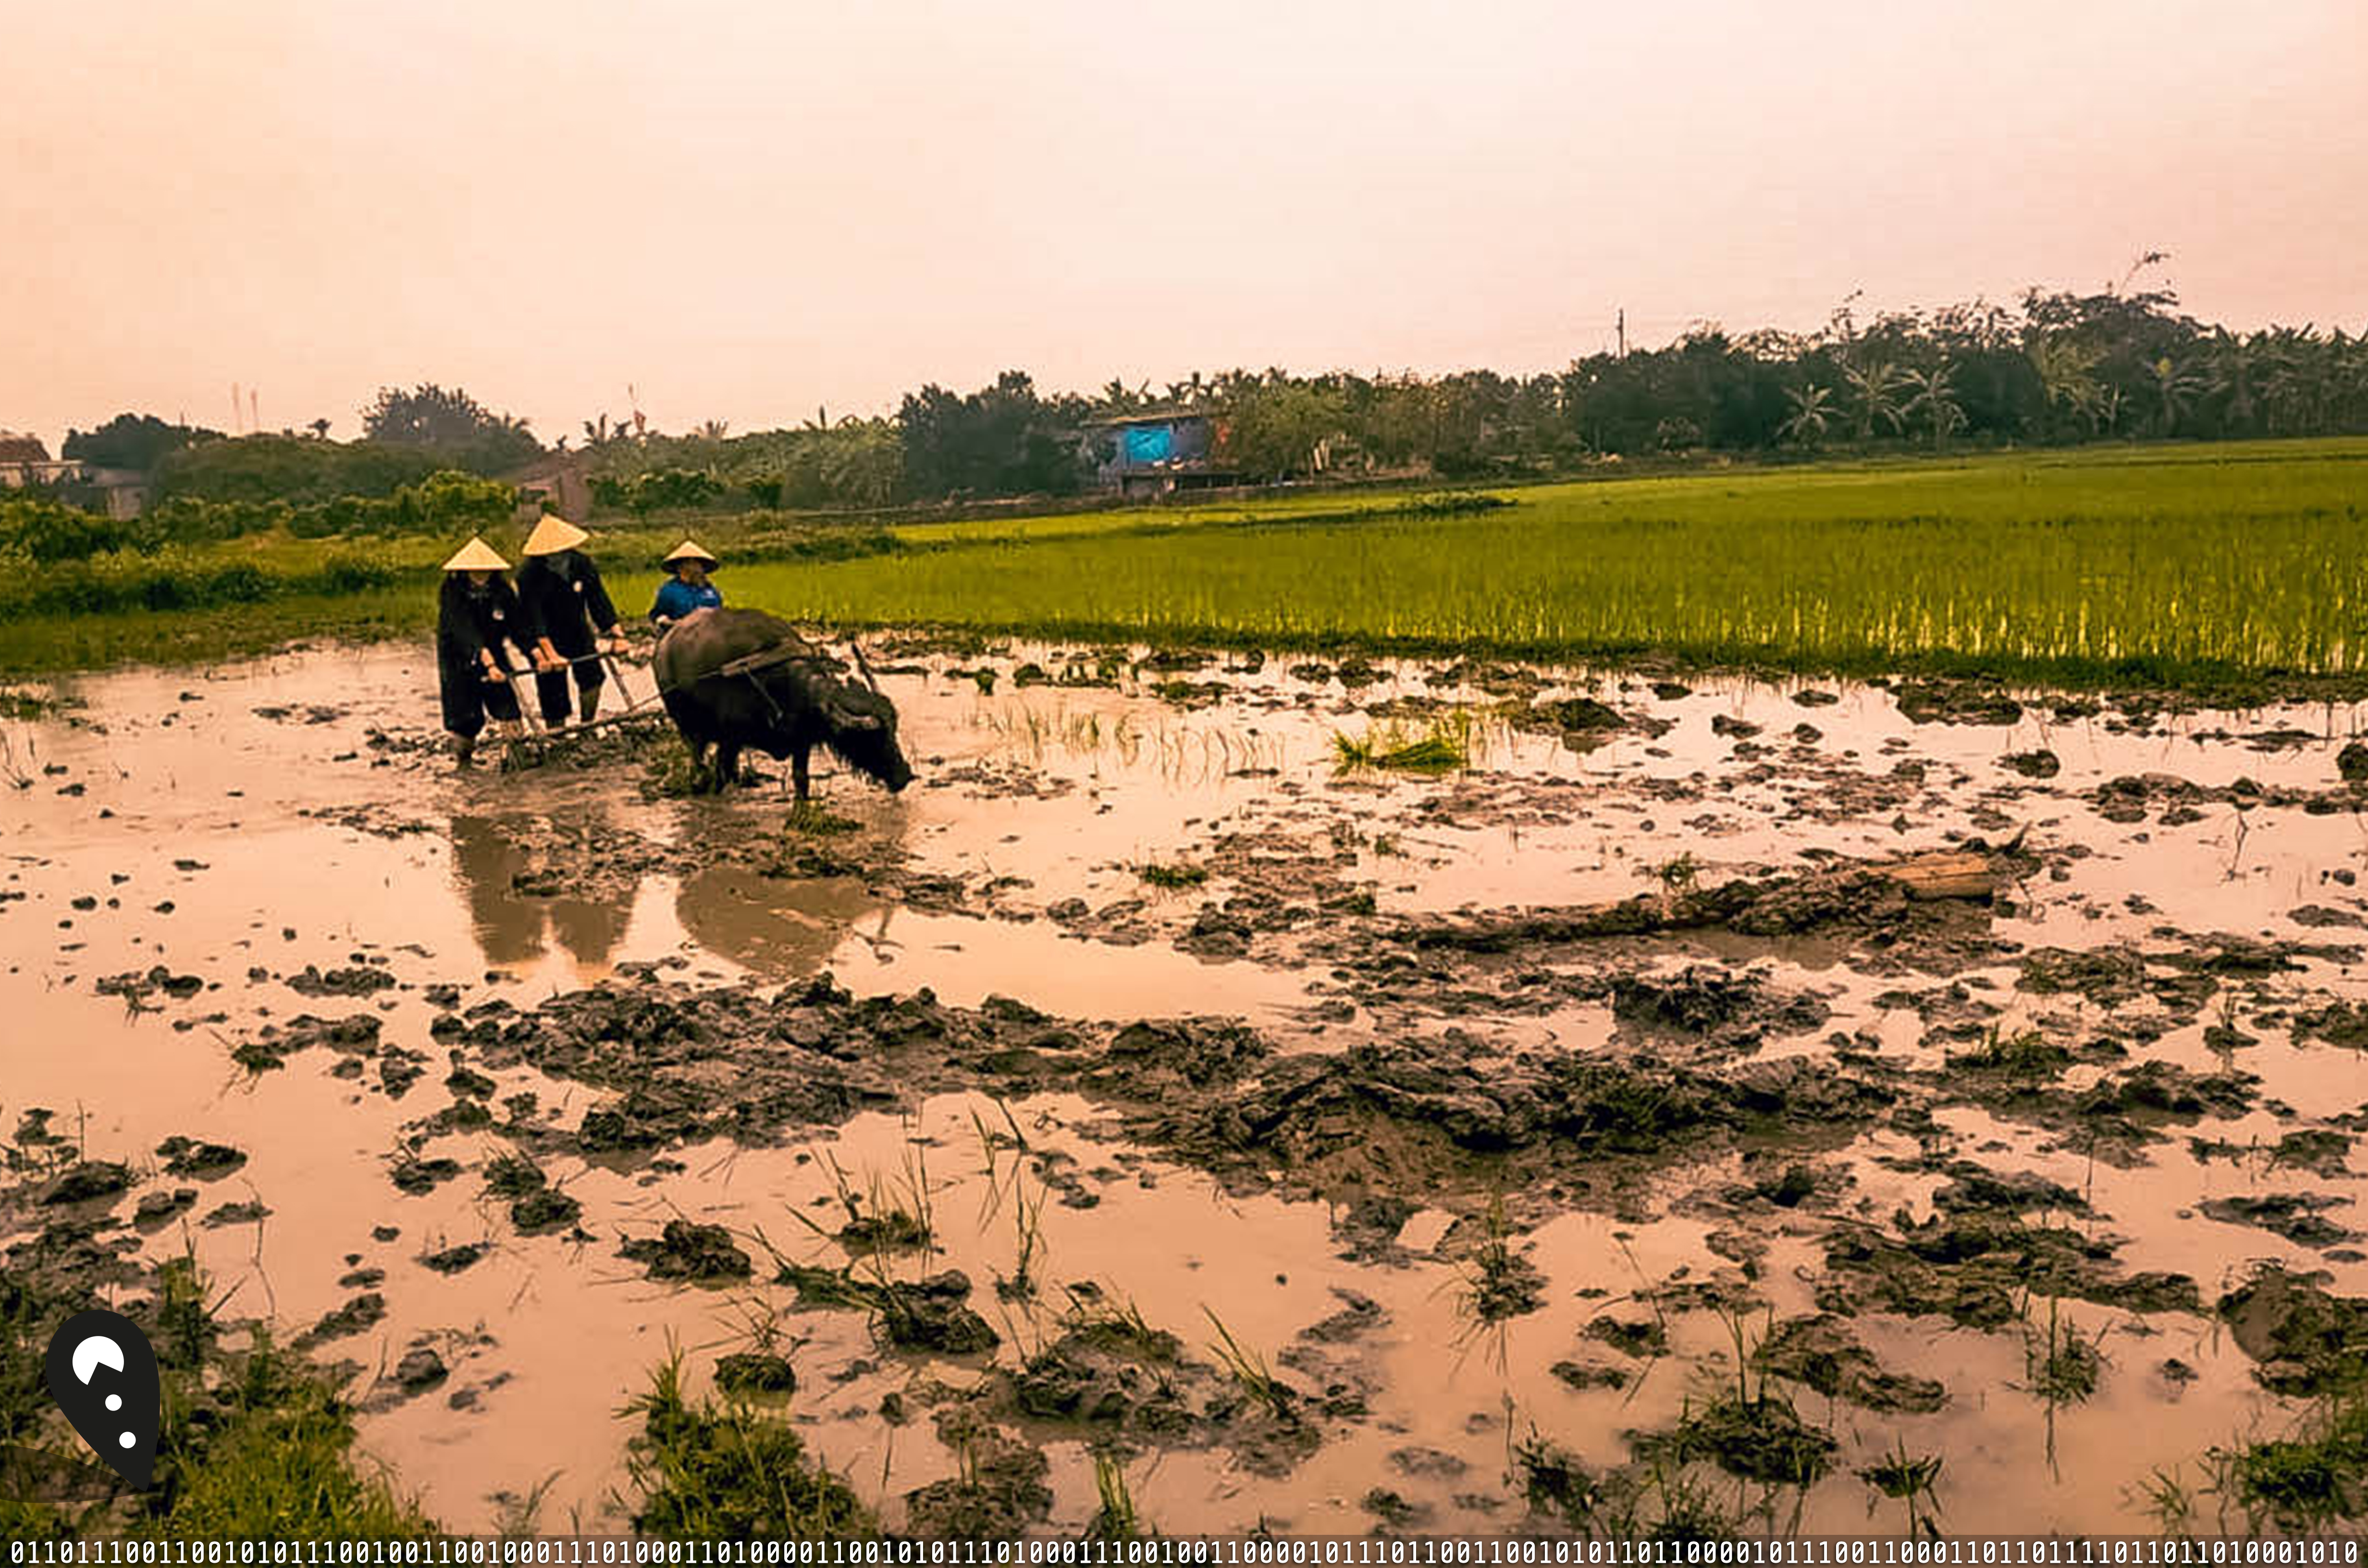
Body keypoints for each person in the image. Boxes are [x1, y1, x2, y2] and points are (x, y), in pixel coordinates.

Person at [516, 513, 626, 726]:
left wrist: (618, 636)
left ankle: (587, 725)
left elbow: (598, 600)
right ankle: (557, 733)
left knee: (593, 677)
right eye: (552, 554)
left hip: (577, 629)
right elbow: (534, 617)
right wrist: (551, 655)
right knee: (552, 685)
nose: (557, 557)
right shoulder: (529, 574)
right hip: (544, 635)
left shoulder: (581, 563)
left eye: (562, 552)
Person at [436, 537, 536, 767]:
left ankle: (517, 758)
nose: (481, 575)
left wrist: (538, 655)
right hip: (459, 660)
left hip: (496, 657)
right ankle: (464, 764)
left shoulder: (502, 591)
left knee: (509, 710)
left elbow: (519, 628)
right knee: (466, 723)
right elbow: (464, 631)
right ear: (465, 570)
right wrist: (488, 662)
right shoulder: (451, 592)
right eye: (476, 571)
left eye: (486, 570)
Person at [649, 539, 723, 631]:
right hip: (681, 634)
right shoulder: (669, 591)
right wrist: (666, 621)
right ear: (680, 568)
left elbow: (719, 615)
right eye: (690, 564)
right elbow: (658, 616)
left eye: (698, 564)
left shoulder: (712, 592)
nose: (697, 569)